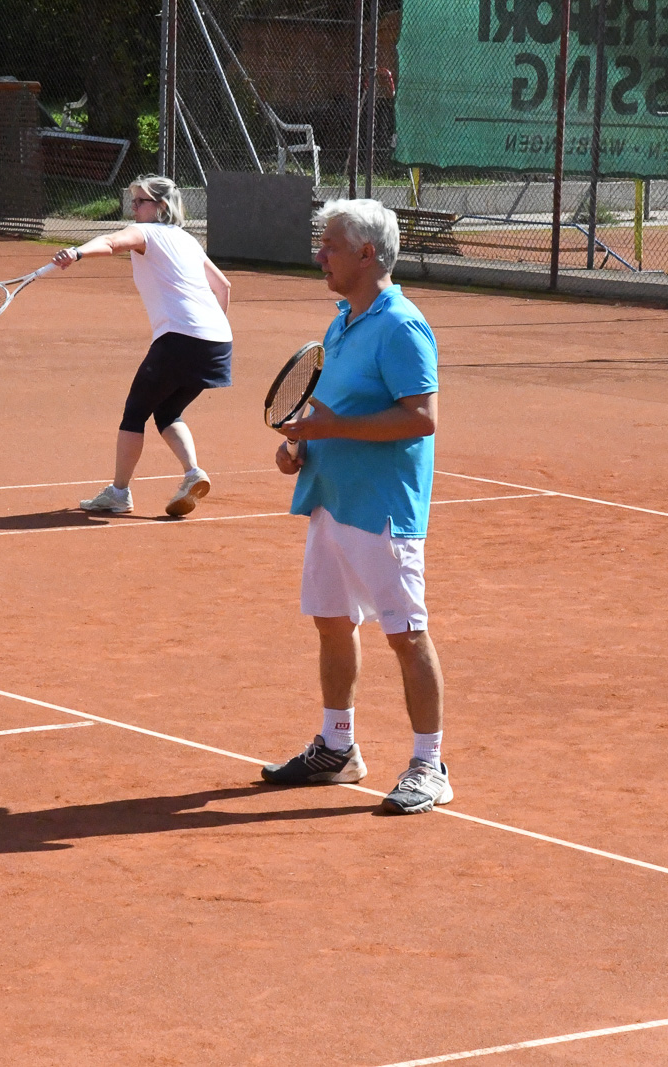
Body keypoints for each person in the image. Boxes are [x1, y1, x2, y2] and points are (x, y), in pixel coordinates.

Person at [261, 199, 449, 815]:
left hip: (384, 510)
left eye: (331, 245)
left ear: (367, 254)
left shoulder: (401, 326)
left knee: (406, 634)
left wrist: (328, 430)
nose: (320, 255)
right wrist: (300, 448)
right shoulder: (342, 322)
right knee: (332, 624)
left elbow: (420, 419)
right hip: (330, 502)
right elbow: (326, 416)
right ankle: (338, 750)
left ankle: (429, 764)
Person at [53, 174, 232, 517]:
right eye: (132, 201)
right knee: (166, 412)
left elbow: (110, 243)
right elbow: (223, 287)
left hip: (181, 338)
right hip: (218, 342)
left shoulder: (146, 233)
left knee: (135, 413)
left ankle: (119, 493)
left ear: (161, 207)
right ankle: (193, 473)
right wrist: (209, 331)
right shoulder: (188, 241)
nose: (133, 208)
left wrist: (76, 252)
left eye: (140, 202)